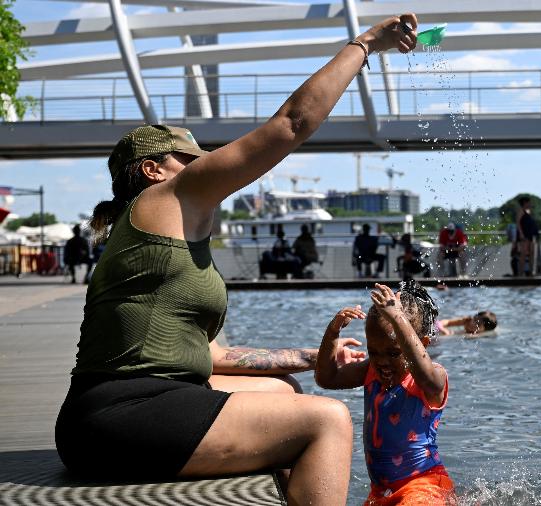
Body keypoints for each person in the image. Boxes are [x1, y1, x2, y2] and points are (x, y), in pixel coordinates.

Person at [54, 15, 418, 506]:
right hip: (119, 415)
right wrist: (366, 43)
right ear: (153, 170)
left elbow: (215, 356)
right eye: (192, 158)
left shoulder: (160, 238)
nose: (205, 165)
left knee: (285, 391)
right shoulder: (164, 198)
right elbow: (291, 124)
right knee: (326, 420)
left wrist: (318, 359)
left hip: (127, 405)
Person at [315, 281, 455, 505]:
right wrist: (332, 332)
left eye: (393, 352)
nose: (382, 361)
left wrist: (398, 318)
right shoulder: (371, 371)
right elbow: (326, 378)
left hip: (425, 487)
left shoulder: (431, 378)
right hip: (381, 492)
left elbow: (428, 376)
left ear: (422, 344)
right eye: (373, 351)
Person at [516, 197, 539, 277]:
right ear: (525, 203)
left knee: (532, 253)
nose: (530, 204)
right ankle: (521, 273)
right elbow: (518, 223)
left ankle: (530, 272)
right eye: (528, 202)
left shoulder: (529, 211)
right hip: (524, 235)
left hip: (531, 235)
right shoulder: (521, 211)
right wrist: (521, 234)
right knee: (523, 254)